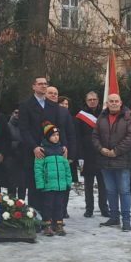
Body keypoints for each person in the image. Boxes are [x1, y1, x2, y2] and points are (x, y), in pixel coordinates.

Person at [17, 77, 68, 214]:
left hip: (52, 150)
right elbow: (24, 129)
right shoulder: (25, 105)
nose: (43, 86)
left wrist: (63, 144)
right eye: (40, 84)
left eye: (45, 84)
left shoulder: (53, 106)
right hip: (33, 150)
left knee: (50, 184)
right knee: (35, 185)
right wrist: (33, 146)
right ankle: (36, 216)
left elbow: (60, 126)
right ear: (34, 86)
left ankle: (49, 217)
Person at [91, 94, 131, 232]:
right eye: (111, 101)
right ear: (107, 103)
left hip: (122, 160)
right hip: (105, 160)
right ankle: (114, 217)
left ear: (121, 102)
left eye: (116, 101)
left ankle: (126, 220)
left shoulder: (129, 116)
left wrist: (115, 151)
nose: (114, 103)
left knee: (124, 191)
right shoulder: (102, 117)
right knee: (110, 191)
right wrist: (102, 150)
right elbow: (95, 136)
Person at [35, 122, 72, 236]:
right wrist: (40, 184)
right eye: (53, 135)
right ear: (47, 137)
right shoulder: (43, 151)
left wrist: (68, 182)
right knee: (48, 205)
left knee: (59, 204)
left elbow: (66, 168)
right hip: (48, 184)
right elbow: (38, 169)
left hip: (60, 185)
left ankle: (58, 224)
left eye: (57, 135)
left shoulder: (62, 150)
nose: (56, 137)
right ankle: (47, 225)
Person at [76, 91, 108, 218]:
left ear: (98, 100)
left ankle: (104, 208)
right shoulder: (80, 116)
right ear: (86, 101)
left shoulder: (105, 114)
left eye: (94, 99)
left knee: (103, 184)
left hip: (102, 153)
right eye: (90, 100)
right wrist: (80, 156)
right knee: (88, 184)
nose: (92, 102)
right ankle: (89, 208)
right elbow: (77, 137)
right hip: (87, 154)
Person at [46, 87, 76, 218]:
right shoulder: (41, 110)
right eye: (50, 93)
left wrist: (72, 154)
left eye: (55, 94)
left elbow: (71, 134)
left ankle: (62, 209)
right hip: (46, 153)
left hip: (63, 153)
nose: (53, 95)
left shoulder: (64, 112)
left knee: (63, 183)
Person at [4, 108, 26, 198]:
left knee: (23, 185)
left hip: (24, 158)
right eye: (16, 112)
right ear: (13, 113)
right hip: (12, 157)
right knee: (11, 185)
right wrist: (17, 145)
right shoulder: (7, 125)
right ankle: (11, 206)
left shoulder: (26, 126)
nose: (18, 115)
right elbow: (5, 141)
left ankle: (22, 205)